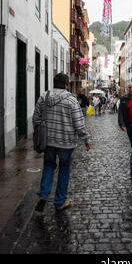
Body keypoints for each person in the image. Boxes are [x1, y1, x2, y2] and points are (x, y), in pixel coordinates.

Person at [33, 73, 91, 213]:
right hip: (66, 142)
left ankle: (44, 194)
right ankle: (60, 201)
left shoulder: (44, 97)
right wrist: (86, 139)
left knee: (48, 166)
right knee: (64, 170)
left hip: (48, 141)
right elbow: (79, 123)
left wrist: (39, 133)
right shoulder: (71, 100)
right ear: (66, 85)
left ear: (54, 83)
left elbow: (36, 118)